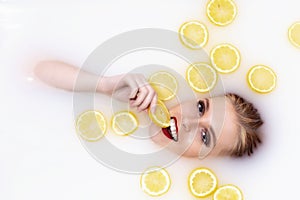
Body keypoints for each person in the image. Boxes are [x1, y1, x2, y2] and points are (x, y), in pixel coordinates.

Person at [34, 60, 263, 159]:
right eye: (201, 107)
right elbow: (37, 70)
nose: (187, 122)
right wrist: (103, 85)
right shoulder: (138, 100)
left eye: (204, 137)